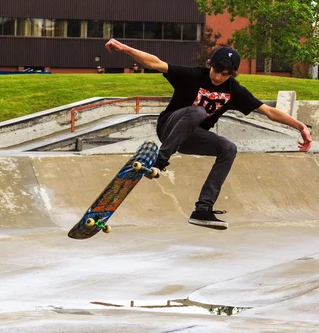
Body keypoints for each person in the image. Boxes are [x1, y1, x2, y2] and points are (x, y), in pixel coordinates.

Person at [105, 39, 312, 230]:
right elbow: (156, 63)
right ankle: (160, 162)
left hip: (191, 138)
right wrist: (125, 49)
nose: (219, 77)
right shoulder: (194, 75)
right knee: (198, 112)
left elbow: (268, 111)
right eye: (217, 71)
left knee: (228, 148)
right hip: (169, 128)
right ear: (209, 64)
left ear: (232, 74)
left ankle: (202, 209)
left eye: (225, 74)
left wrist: (300, 126)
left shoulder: (234, 90)